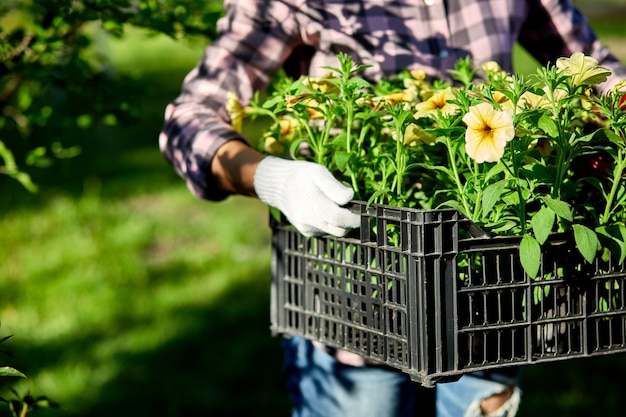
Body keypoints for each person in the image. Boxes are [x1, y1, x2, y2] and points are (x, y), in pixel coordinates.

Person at [159, 1, 626, 415]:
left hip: (489, 295)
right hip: (353, 298)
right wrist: (271, 177)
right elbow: (189, 118)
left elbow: (597, 75)